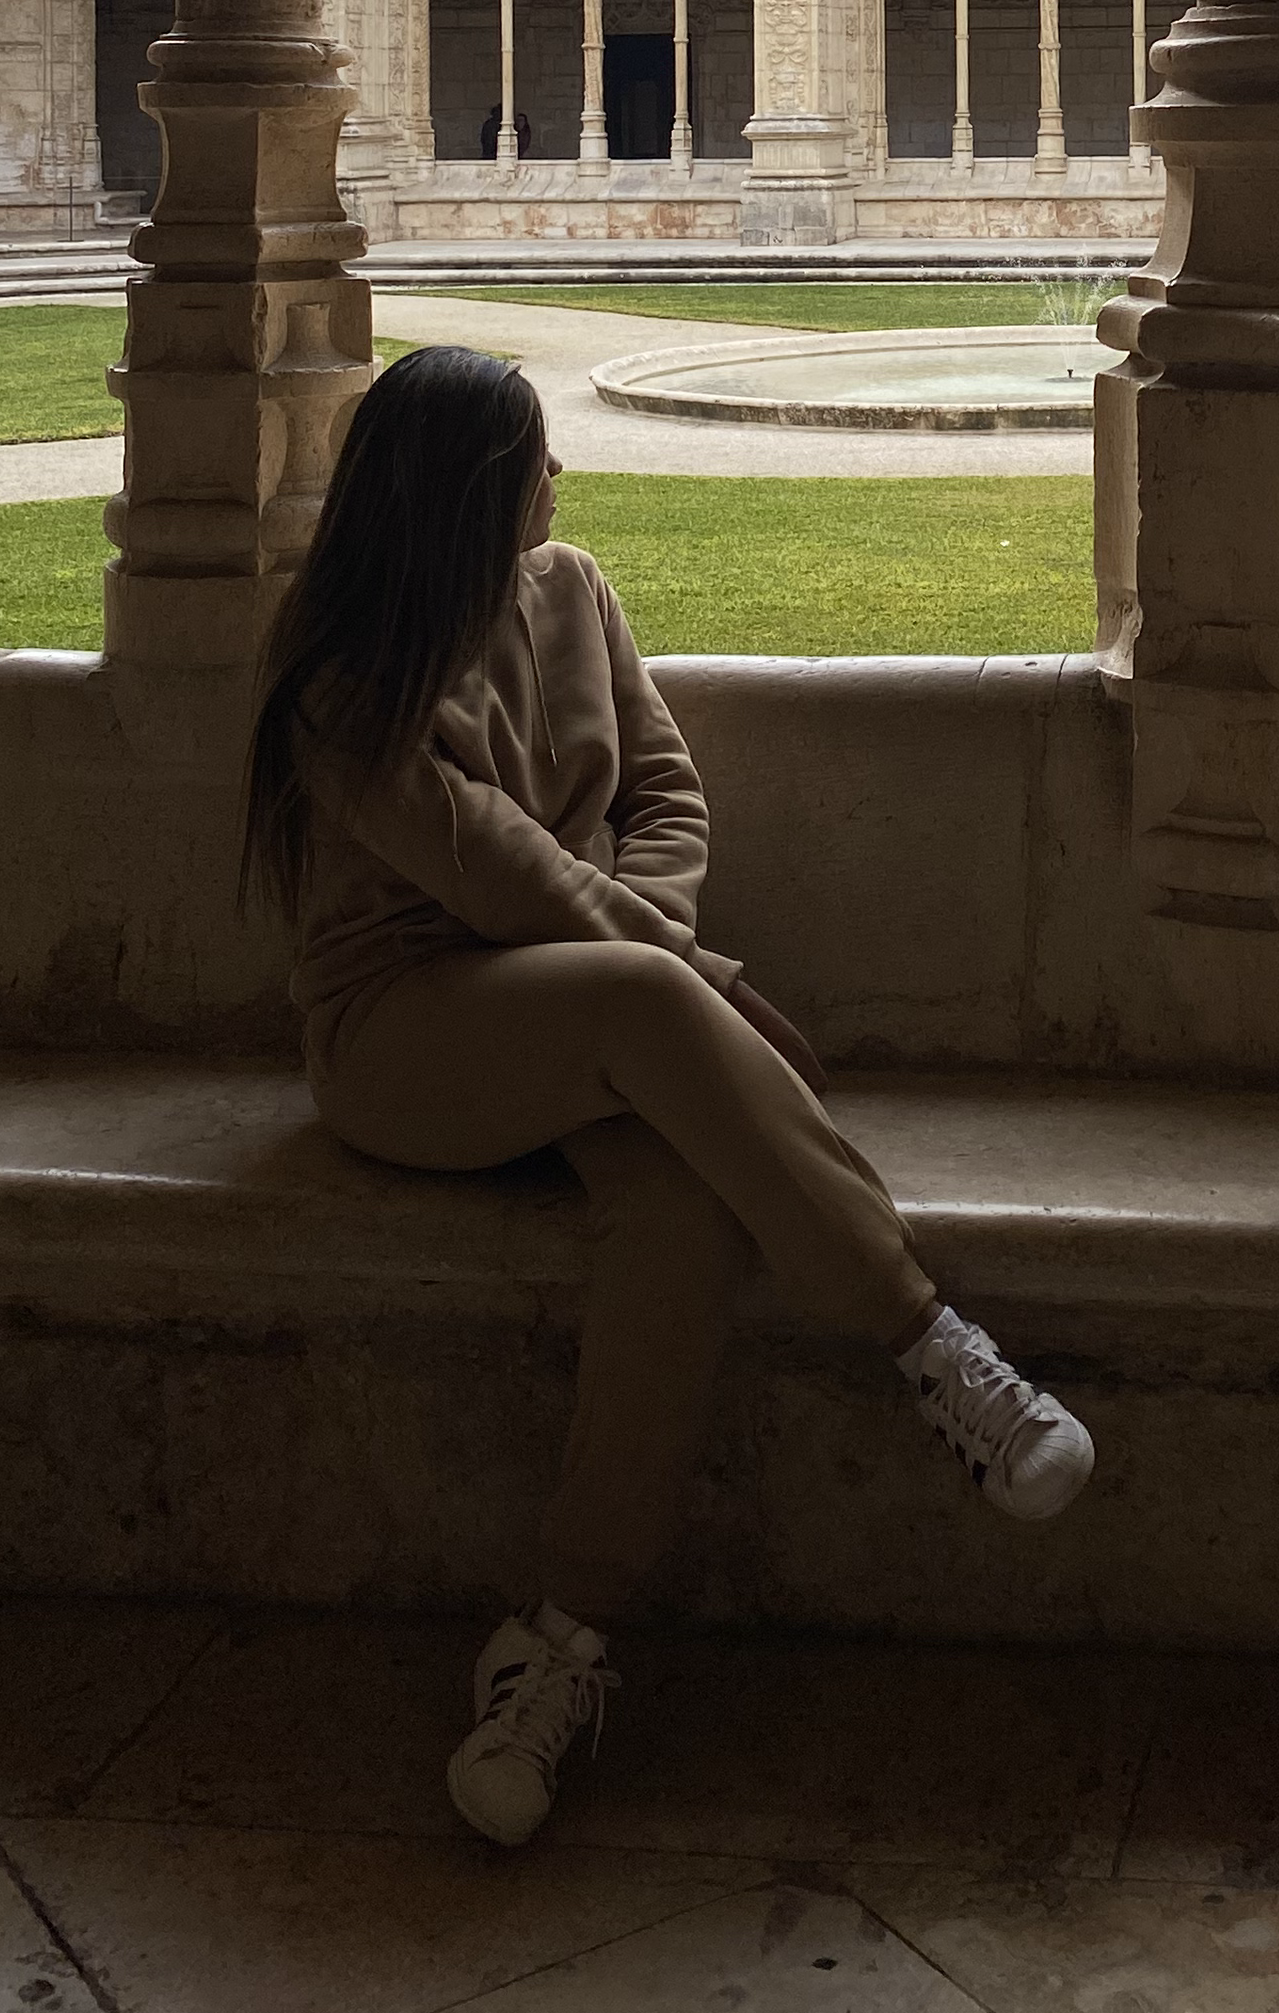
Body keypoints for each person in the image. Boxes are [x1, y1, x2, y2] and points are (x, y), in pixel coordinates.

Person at [241, 350, 1094, 1849]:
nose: (557, 483)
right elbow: (492, 874)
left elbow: (666, 789)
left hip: (599, 1011)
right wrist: (685, 984)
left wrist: (666, 956)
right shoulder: (340, 674)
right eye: (530, 463)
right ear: (459, 496)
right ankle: (927, 1342)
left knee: (682, 1210)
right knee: (643, 1013)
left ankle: (557, 1648)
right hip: (412, 1039)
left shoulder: (572, 588)